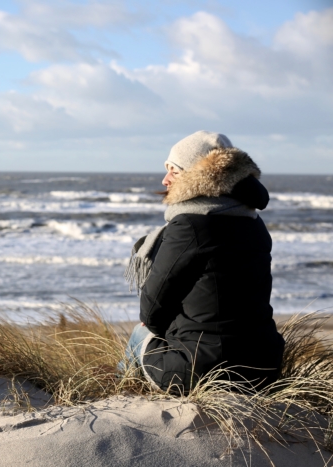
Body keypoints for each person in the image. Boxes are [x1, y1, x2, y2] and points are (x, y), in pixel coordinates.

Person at [122, 130, 285, 393]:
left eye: (173, 171)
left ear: (195, 175)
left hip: (206, 370)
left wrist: (158, 329)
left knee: (140, 333)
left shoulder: (190, 225)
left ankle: (122, 398)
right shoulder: (253, 222)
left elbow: (152, 307)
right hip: (262, 367)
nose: (165, 180)